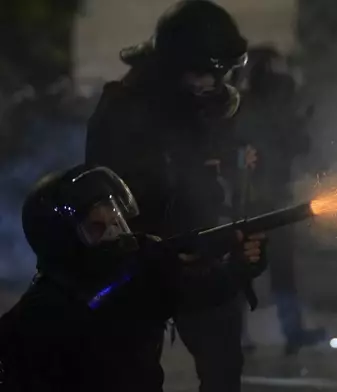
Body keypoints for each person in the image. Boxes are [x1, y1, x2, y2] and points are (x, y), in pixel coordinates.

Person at [85, 1, 255, 390]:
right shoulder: (123, 110)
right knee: (134, 375)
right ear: (175, 65)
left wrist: (241, 244)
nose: (213, 82)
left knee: (224, 367)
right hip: (142, 264)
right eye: (204, 72)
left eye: (219, 73)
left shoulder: (212, 110)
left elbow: (233, 179)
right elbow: (105, 198)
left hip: (203, 258)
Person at [0, 165, 265, 391]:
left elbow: (199, 290)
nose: (115, 236)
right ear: (63, 242)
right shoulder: (42, 312)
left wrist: (239, 266)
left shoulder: (135, 278)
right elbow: (96, 310)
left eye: (116, 221)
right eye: (97, 228)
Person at [234, 46, 326, 355]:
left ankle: (280, 331)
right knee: (253, 266)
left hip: (259, 198)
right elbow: (298, 143)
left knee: (255, 266)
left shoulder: (247, 104)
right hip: (263, 198)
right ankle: (284, 331)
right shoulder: (268, 104)